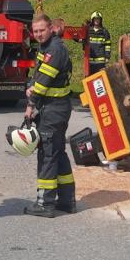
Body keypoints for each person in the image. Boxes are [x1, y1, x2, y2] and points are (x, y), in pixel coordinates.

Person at [23, 12, 76, 217]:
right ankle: (67, 201)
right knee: (58, 153)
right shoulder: (46, 47)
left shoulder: (54, 49)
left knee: (47, 155)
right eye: (35, 31)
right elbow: (38, 74)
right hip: (55, 108)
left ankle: (45, 203)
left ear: (50, 29)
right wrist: (31, 85)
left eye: (42, 30)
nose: (38, 34)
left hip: (54, 109)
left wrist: (30, 105)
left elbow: (43, 83)